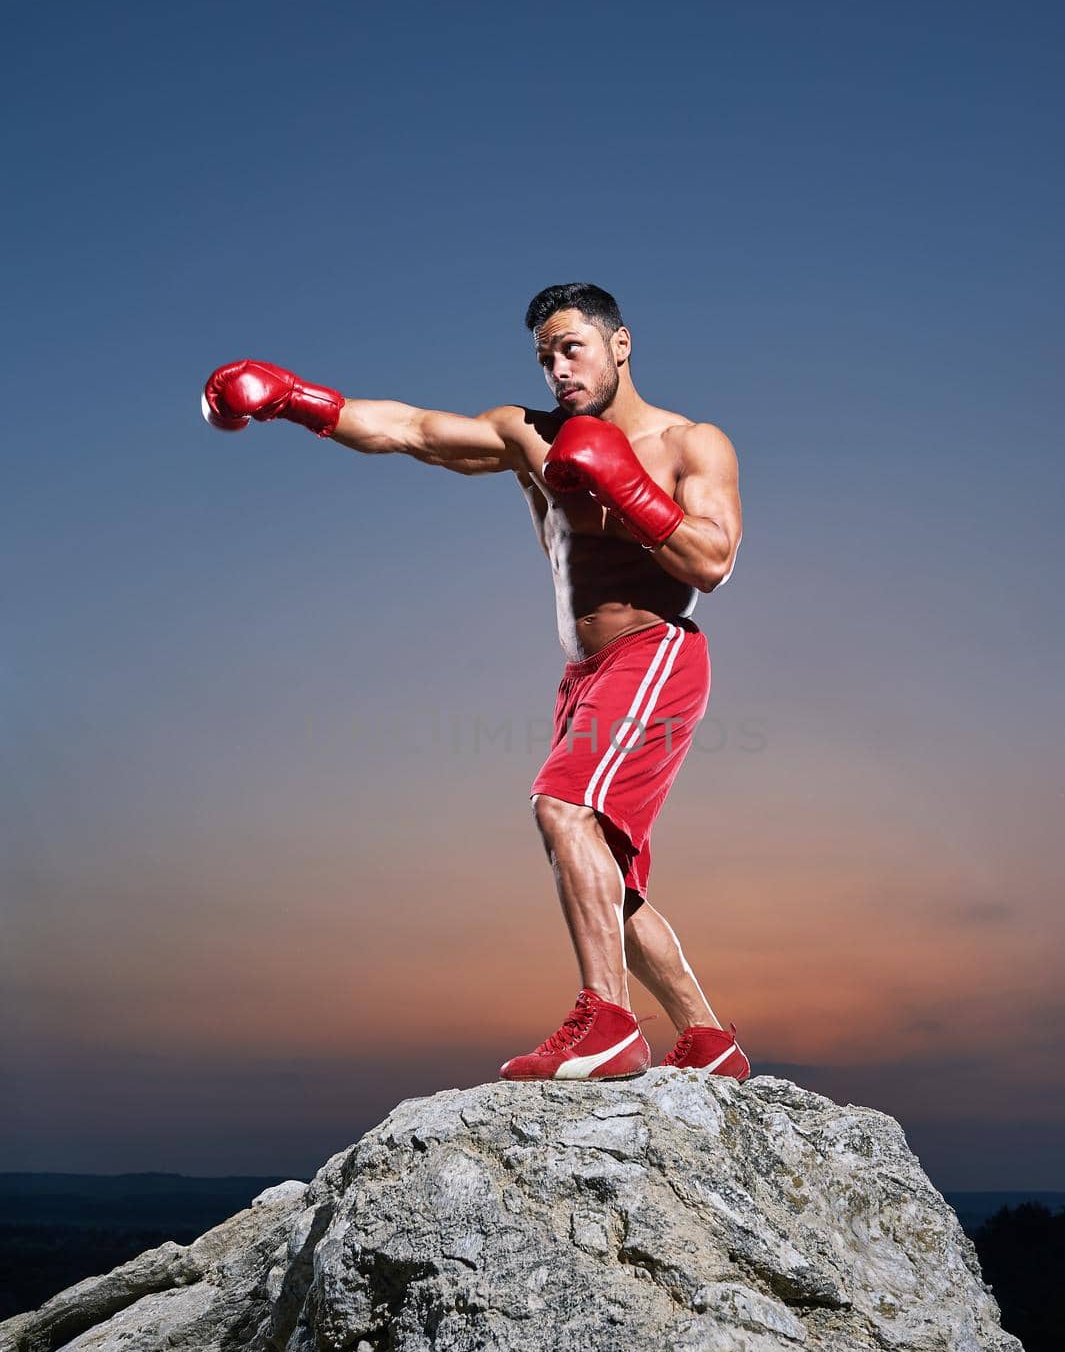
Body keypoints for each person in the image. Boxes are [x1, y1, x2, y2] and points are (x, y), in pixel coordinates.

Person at [201, 282, 750, 1085]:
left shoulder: (690, 442)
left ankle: (605, 1023)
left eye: (573, 348)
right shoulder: (530, 437)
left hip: (655, 651)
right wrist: (293, 399)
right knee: (604, 875)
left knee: (562, 806)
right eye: (544, 357)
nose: (558, 369)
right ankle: (707, 1040)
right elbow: (411, 430)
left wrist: (624, 486)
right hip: (584, 674)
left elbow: (712, 558)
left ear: (619, 344)